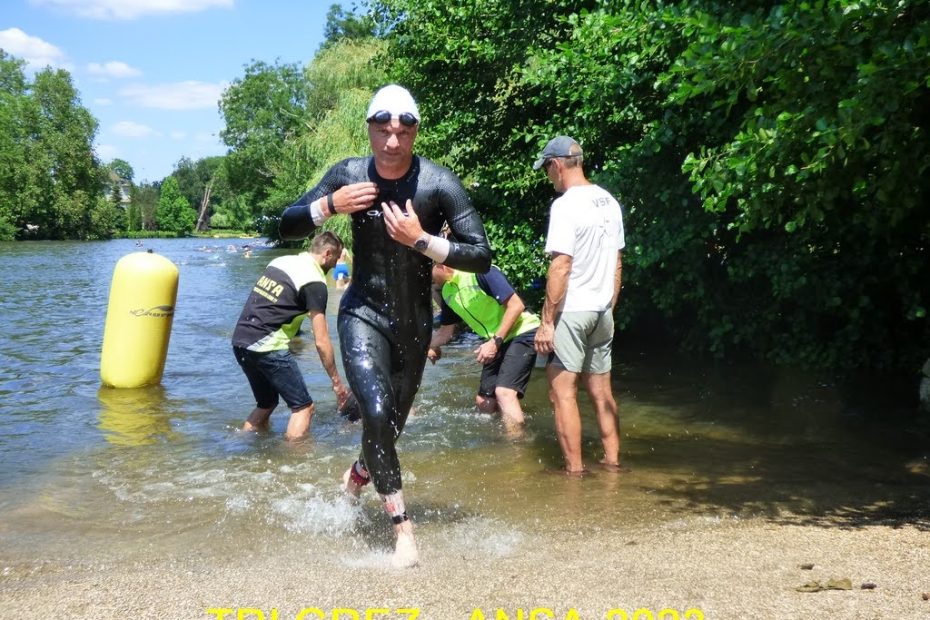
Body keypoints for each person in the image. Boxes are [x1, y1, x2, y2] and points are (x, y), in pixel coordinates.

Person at [278, 84, 491, 567]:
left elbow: (480, 256)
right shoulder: (348, 174)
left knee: (389, 425)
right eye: (383, 130)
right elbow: (284, 223)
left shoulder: (438, 184)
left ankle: (357, 474)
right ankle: (404, 530)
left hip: (415, 322)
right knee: (374, 410)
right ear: (370, 130)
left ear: (414, 132)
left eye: (402, 131)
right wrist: (329, 207)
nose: (392, 142)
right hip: (362, 312)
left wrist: (422, 241)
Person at [532, 136, 625, 476]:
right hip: (602, 310)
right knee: (601, 392)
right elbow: (616, 262)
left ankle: (574, 471)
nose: (548, 176)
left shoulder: (566, 205)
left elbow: (561, 266)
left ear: (556, 164)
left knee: (562, 394)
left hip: (572, 312)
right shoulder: (608, 201)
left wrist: (546, 322)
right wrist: (609, 306)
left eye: (546, 169)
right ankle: (612, 463)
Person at [232, 231, 351, 440]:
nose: (334, 265)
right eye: (335, 259)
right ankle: (292, 463)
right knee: (304, 407)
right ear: (327, 253)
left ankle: (238, 442)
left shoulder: (280, 261)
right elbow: (322, 341)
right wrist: (337, 384)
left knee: (267, 403)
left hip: (241, 340)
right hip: (267, 344)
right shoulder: (315, 281)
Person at [428, 263, 540, 433]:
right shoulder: (446, 292)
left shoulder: (481, 272)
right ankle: (499, 435)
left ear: (440, 265)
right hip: (496, 340)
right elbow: (445, 333)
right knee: (484, 402)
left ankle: (518, 446)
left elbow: (516, 305)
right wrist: (430, 347)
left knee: (504, 393)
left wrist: (495, 342)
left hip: (522, 331)